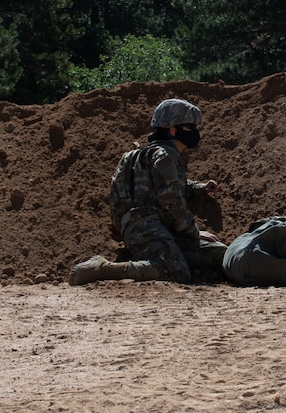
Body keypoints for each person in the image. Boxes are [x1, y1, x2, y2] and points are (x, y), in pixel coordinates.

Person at [70, 98, 225, 285]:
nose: (195, 132)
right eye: (189, 127)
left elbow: (165, 185)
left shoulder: (154, 154)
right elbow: (171, 201)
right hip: (145, 226)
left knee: (218, 254)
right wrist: (194, 232)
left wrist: (199, 188)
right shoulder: (165, 156)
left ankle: (164, 257)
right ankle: (104, 269)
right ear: (173, 130)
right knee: (177, 271)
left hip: (150, 225)